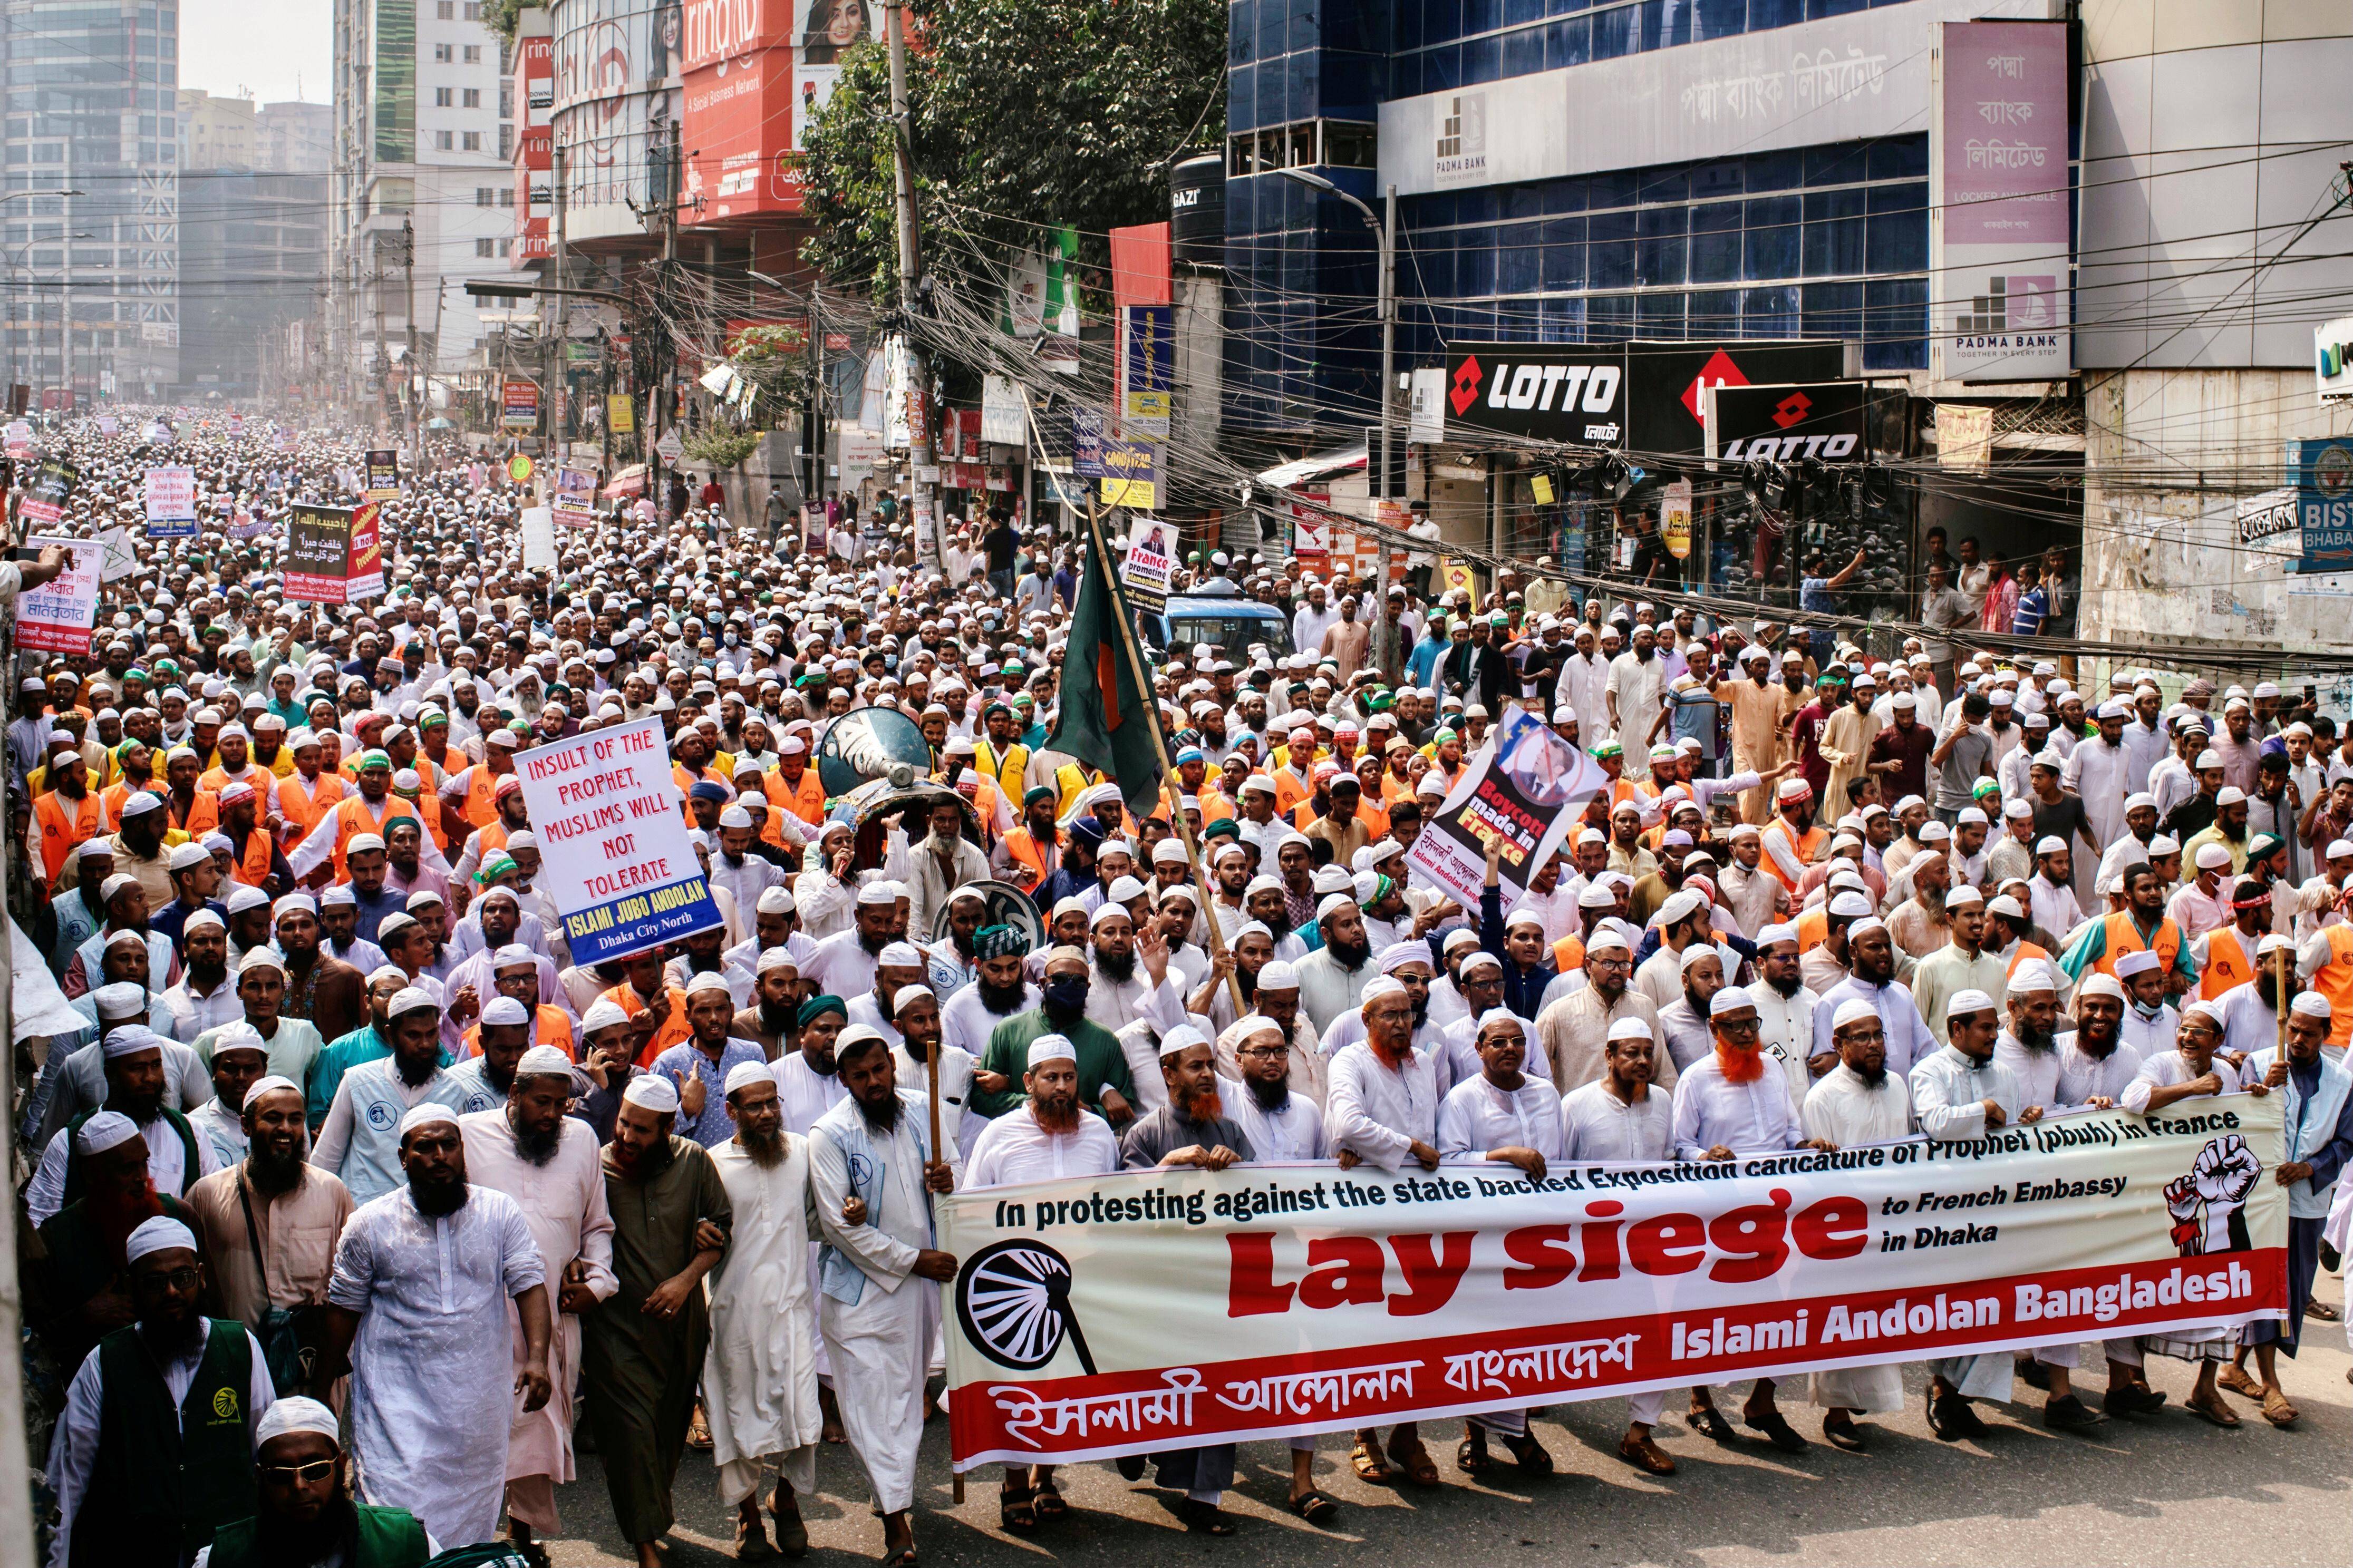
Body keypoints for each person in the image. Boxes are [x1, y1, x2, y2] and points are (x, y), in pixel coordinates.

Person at [317, 1104, 554, 1552]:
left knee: (470, 1524)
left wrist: (538, 1358)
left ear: (464, 1151)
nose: (440, 1155)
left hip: (477, 1407)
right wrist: (318, 1392)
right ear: (403, 1156)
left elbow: (529, 1282)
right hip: (397, 1404)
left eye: (450, 1144)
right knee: (394, 1519)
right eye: (426, 1147)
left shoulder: (498, 1212)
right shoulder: (369, 1223)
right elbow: (342, 1310)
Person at [42, 1214, 275, 1568]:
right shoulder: (103, 1363)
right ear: (131, 1285)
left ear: (201, 1276)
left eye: (182, 1277)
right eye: (155, 1282)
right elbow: (67, 1479)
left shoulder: (240, 1347)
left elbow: (268, 1455)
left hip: (226, 1555)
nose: (171, 1292)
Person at [458, 1045, 616, 1557]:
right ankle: (474, 1540)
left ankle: (520, 1539)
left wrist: (597, 1283)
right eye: (541, 1102)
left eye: (561, 1104)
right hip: (481, 1314)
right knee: (481, 1432)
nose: (551, 1115)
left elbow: (597, 1226)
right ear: (515, 1093)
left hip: (554, 1313)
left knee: (534, 1428)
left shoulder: (582, 1140)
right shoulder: (469, 1135)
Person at [809, 1026, 958, 1564]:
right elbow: (837, 1226)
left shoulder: (924, 1109)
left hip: (920, 1290)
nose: (873, 1082)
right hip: (860, 1293)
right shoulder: (830, 1133)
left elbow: (957, 1175)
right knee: (872, 1405)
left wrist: (946, 1177)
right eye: (860, 1075)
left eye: (879, 1069)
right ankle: (897, 1524)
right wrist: (913, 1258)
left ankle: (888, 1491)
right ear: (844, 1079)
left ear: (891, 1066)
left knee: (904, 1398)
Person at [585, 1073, 730, 1567]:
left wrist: (687, 1278)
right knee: (630, 1434)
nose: (627, 1136)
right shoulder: (595, 1168)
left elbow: (721, 1228)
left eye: (641, 1130)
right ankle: (646, 1546)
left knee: (666, 1431)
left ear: (668, 1127)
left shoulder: (693, 1162)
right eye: (624, 1123)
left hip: (681, 1326)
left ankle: (652, 1514)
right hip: (615, 1329)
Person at [1322, 976, 1441, 1486]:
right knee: (1367, 1332)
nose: (1400, 1023)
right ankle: (1363, 1434)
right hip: (1366, 1217)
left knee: (1416, 1328)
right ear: (1366, 1019)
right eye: (1388, 1015)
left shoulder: (1424, 1062)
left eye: (1407, 1014)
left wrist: (1395, 1146)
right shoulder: (1350, 1060)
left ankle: (1406, 1434)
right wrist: (1407, 1146)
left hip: (1419, 1216)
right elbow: (1347, 1125)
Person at [703, 1064, 826, 1559]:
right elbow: (701, 1231)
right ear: (731, 1111)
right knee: (738, 1422)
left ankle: (787, 1500)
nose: (767, 1113)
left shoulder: (801, 1153)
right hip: (734, 1312)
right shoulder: (710, 1164)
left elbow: (820, 1219)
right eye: (753, 1106)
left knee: (804, 1419)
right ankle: (749, 1515)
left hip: (794, 1307)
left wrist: (854, 1211)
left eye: (771, 1102)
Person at [1435, 1009, 1563, 1475]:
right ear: (1478, 1048)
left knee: (1527, 1338)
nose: (1509, 1049)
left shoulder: (1547, 1094)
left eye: (1517, 1042)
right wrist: (1501, 1155)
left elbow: (1563, 1161)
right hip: (1483, 1238)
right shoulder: (1461, 1099)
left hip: (1539, 1236)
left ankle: (1516, 1427)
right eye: (1498, 1042)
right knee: (1482, 1338)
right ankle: (1477, 1436)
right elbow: (1447, 1161)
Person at [2223, 991, 2351, 1427]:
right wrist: (2258, 1090)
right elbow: (2234, 1119)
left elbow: (2345, 1142)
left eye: (2308, 1034)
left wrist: (2310, 1167)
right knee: (2265, 1283)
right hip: (2258, 1196)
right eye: (2292, 1030)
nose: (2298, 1039)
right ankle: (2272, 1385)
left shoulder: (2341, 1081)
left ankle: (2234, 1366)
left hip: (2307, 1199)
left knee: (2292, 1286)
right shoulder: (2260, 1064)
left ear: (2324, 1036)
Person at [1800, 999, 1912, 1447]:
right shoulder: (1821, 1097)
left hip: (1890, 1222)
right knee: (1840, 1315)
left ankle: (1867, 1396)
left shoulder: (1897, 1085)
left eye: (1878, 1035)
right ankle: (1836, 1412)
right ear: (1837, 1043)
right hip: (1843, 1228)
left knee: (1880, 1314)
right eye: (1861, 1037)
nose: (1873, 1045)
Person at [183, 1073, 354, 1346]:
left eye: (295, 1119)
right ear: (247, 1125)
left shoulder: (332, 1192)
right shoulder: (207, 1195)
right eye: (273, 1118)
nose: (286, 1128)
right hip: (236, 1361)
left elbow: (349, 1288)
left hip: (310, 1363)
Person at [192, 1396, 436, 1568]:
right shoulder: (222, 1558)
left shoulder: (407, 1541)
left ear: (340, 1467)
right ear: (260, 1479)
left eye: (315, 1470)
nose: (299, 1485)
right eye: (281, 1474)